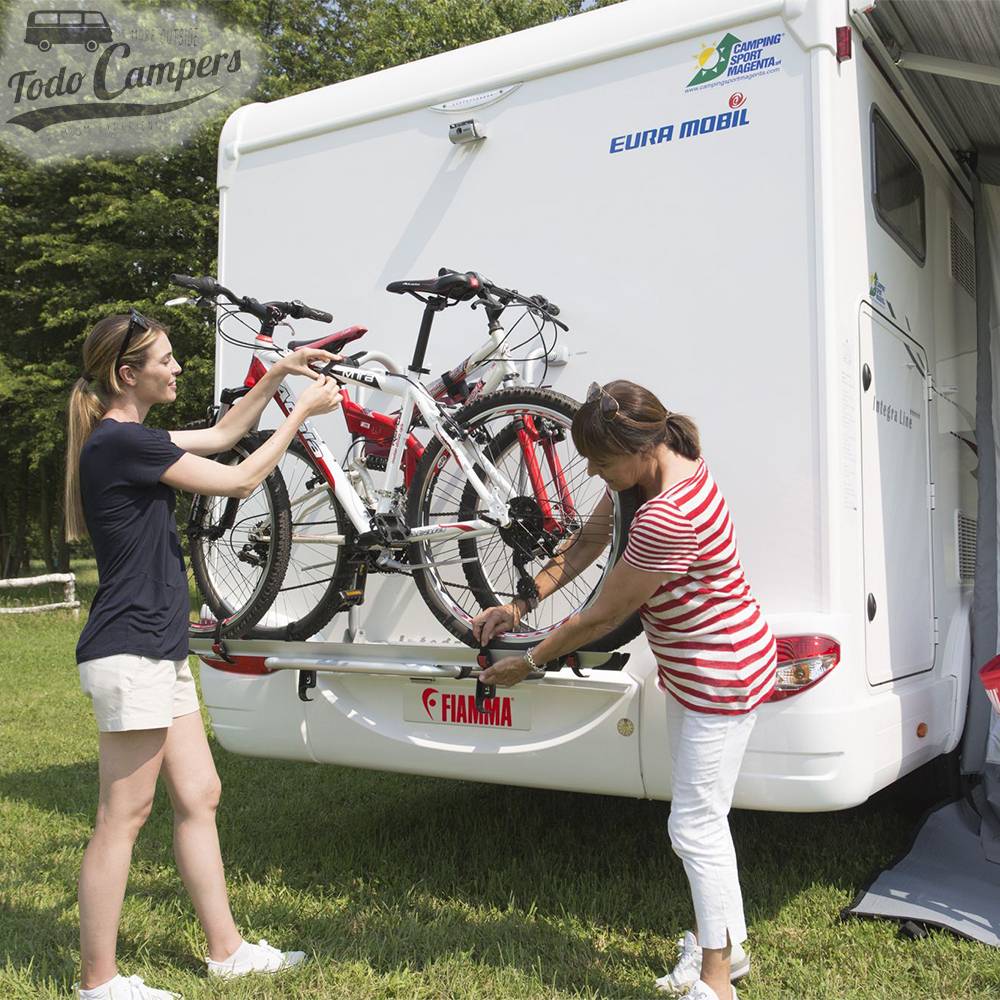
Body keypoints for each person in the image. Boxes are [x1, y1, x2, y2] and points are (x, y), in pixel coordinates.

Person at [65, 309, 342, 1000]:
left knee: (200, 794)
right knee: (121, 818)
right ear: (127, 374)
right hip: (129, 649)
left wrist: (277, 374)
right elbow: (242, 477)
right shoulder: (120, 444)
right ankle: (97, 983)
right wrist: (300, 414)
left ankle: (227, 951)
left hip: (157, 644)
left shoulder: (134, 436)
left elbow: (223, 435)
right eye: (165, 359)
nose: (178, 368)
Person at [473, 380, 776, 1000]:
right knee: (705, 821)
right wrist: (522, 599)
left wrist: (526, 663)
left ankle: (717, 982)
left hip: (723, 673)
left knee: (694, 827)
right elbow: (587, 542)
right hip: (703, 669)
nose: (591, 472)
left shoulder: (671, 514)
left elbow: (601, 616)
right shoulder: (654, 474)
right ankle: (726, 949)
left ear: (640, 448)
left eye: (600, 462)